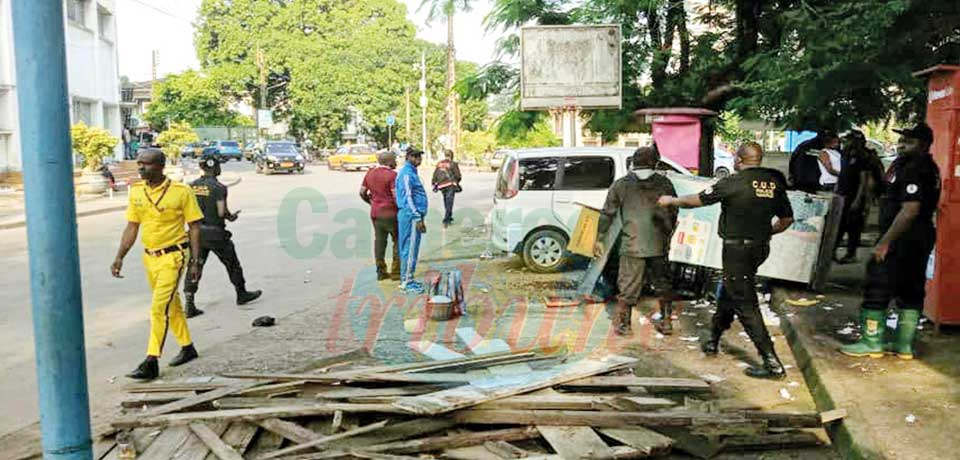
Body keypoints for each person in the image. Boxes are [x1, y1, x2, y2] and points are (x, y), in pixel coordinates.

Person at [659, 142, 794, 379]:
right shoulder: (773, 184)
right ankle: (714, 338)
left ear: (739, 160)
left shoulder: (734, 182)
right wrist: (765, 233)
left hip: (737, 250)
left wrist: (671, 201)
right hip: (760, 249)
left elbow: (698, 200)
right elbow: (786, 220)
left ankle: (772, 363)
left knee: (746, 303)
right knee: (731, 289)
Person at [840, 123, 940, 360]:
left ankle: (871, 342)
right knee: (911, 289)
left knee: (878, 283)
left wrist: (885, 242)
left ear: (924, 145)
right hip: (920, 236)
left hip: (903, 238)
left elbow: (910, 209)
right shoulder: (923, 166)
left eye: (909, 141)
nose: (902, 145)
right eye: (902, 140)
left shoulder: (915, 168)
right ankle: (903, 345)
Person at [111, 148, 203, 380]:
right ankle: (187, 347)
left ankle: (151, 360)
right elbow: (132, 226)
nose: (141, 167)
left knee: (158, 308)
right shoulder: (136, 192)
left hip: (174, 256)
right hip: (150, 257)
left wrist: (195, 261)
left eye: (147, 164)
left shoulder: (181, 192)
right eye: (139, 163)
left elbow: (194, 226)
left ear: (160, 166)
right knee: (171, 305)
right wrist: (120, 256)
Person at [595, 147, 678, 336]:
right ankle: (666, 323)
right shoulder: (665, 183)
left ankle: (624, 326)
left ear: (633, 162)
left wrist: (599, 239)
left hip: (631, 244)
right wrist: (667, 233)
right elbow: (674, 211)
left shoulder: (621, 185)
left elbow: (607, 214)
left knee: (627, 286)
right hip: (659, 244)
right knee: (663, 284)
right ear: (655, 163)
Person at [183, 155, 262, 318]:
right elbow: (221, 212)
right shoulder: (219, 187)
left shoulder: (191, 186)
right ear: (215, 167)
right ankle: (242, 294)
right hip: (216, 233)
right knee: (232, 264)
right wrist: (230, 216)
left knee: (194, 265)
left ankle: (189, 304)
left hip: (196, 233)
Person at [834, 130, 876, 263]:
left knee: (853, 227)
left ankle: (851, 254)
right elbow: (842, 174)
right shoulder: (845, 154)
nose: (847, 142)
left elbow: (865, 181)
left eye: (850, 140)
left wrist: (858, 200)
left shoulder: (863, 156)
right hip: (842, 194)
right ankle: (832, 251)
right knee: (838, 226)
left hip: (854, 196)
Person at [361, 151, 401, 281]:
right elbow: (395, 196)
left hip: (376, 214)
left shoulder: (370, 173)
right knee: (397, 242)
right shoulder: (393, 175)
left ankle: (381, 271)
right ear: (389, 161)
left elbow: (362, 192)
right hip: (392, 214)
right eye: (394, 160)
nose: (396, 162)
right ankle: (396, 272)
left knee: (379, 242)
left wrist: (371, 202)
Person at [395, 147, 428, 294]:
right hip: (410, 216)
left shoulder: (411, 173)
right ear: (408, 157)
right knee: (409, 249)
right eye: (416, 157)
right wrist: (417, 217)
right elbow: (408, 198)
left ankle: (407, 278)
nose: (419, 160)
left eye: (419, 157)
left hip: (412, 215)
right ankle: (406, 281)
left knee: (409, 248)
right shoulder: (407, 174)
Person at [432, 149, 462, 228]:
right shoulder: (453, 164)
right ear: (452, 156)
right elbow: (458, 175)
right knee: (449, 201)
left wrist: (434, 183)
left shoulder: (439, 163)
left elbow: (435, 174)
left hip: (441, 185)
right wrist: (457, 181)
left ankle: (449, 215)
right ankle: (446, 219)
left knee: (446, 200)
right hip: (450, 184)